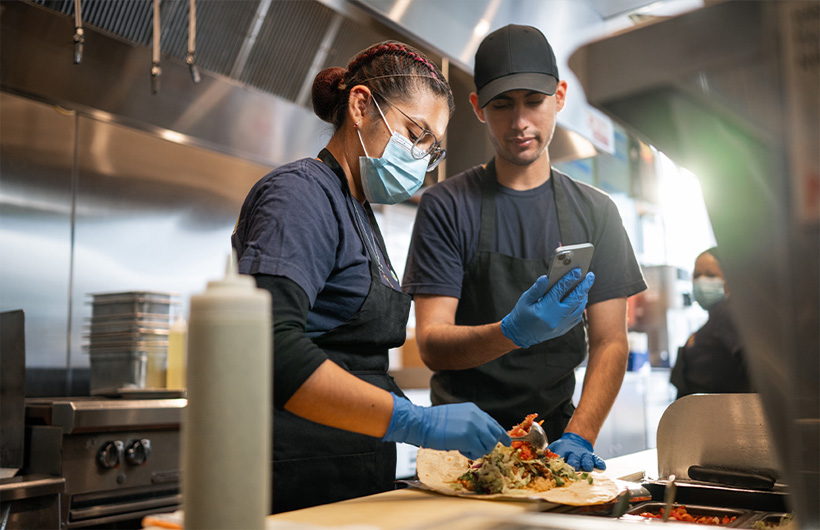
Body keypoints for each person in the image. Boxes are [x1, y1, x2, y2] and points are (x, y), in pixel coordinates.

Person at [231, 41, 510, 514]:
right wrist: (416, 421)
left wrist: (421, 418)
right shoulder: (300, 196)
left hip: (350, 482)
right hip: (293, 485)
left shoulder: (357, 210)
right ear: (360, 107)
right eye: (415, 134)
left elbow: (356, 360)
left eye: (431, 149)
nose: (420, 160)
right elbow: (268, 346)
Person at [402, 25, 647, 472]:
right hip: (459, 450)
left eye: (533, 101)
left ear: (559, 96)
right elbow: (432, 343)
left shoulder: (598, 212)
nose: (519, 123)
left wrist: (580, 434)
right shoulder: (446, 206)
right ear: (477, 107)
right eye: (502, 105)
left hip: (556, 446)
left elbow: (611, 341)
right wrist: (511, 332)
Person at [670, 247, 752, 398]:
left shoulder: (727, 313)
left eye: (711, 275)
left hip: (720, 410)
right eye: (696, 276)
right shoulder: (714, 318)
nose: (701, 281)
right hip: (700, 409)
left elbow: (752, 366)